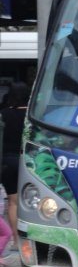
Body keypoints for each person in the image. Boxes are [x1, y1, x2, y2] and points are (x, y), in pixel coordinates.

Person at [1, 81, 30, 250]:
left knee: (13, 202)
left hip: (7, 161)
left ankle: (16, 242)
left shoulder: (4, 114)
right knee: (31, 200)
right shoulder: (31, 116)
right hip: (27, 161)